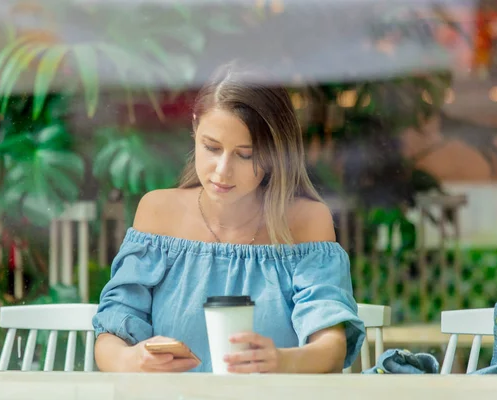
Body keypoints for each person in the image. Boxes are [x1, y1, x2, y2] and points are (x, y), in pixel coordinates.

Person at [92, 63, 365, 373]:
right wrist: (132, 359)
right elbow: (110, 334)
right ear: (195, 128)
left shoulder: (306, 221)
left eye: (245, 154)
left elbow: (331, 348)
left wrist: (282, 361)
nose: (222, 170)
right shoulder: (158, 213)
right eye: (212, 147)